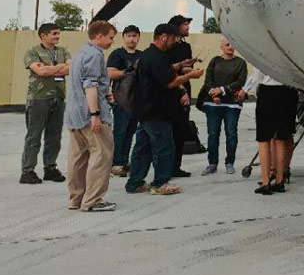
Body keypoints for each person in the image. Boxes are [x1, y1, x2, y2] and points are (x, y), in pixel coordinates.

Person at [125, 24, 203, 195]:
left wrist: (181, 65)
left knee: (142, 148)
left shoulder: (151, 55)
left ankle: (135, 182)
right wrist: (191, 75)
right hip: (157, 111)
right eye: (173, 38)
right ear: (163, 37)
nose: (175, 42)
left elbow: (164, 71)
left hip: (145, 110)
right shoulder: (156, 57)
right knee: (164, 148)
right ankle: (160, 183)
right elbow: (169, 82)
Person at [65, 21, 117, 211]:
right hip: (90, 114)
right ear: (100, 36)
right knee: (101, 154)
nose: (112, 41)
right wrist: (95, 114)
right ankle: (93, 200)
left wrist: (105, 92)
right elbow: (90, 85)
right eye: (110, 37)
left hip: (74, 113)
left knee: (78, 158)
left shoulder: (79, 53)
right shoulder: (95, 55)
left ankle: (76, 199)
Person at [20, 23, 70, 185]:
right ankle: (28, 171)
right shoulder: (33, 51)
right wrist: (59, 67)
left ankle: (50, 168)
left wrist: (51, 68)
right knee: (34, 136)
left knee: (54, 136)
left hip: (58, 97)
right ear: (43, 36)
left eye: (58, 33)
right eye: (54, 34)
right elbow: (40, 71)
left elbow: (70, 68)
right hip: (38, 98)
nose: (57, 36)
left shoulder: (62, 51)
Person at [243, 68, 298, 194]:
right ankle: (280, 180)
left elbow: (257, 76)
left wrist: (257, 92)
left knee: (264, 140)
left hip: (268, 91)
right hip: (288, 91)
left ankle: (266, 181)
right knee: (280, 139)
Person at [197, 38, 247, 176]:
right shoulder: (215, 61)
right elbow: (208, 79)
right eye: (227, 44)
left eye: (232, 44)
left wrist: (223, 90)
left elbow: (240, 81)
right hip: (213, 103)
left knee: (231, 133)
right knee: (213, 133)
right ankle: (212, 163)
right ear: (221, 46)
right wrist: (214, 94)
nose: (230, 47)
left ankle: (230, 162)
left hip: (232, 103)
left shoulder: (240, 63)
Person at [166, 14, 198, 177]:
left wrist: (188, 69)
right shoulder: (168, 48)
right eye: (185, 24)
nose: (188, 27)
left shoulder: (186, 47)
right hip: (173, 91)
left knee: (180, 130)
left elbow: (186, 69)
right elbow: (168, 70)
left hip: (186, 87)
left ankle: (176, 166)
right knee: (169, 131)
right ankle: (166, 166)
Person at [107, 24, 141, 177]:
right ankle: (116, 163)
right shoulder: (117, 54)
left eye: (134, 36)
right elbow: (110, 73)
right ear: (123, 37)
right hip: (121, 99)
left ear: (138, 38)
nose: (132, 39)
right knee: (119, 132)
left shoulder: (142, 55)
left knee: (130, 131)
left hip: (137, 100)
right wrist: (127, 72)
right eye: (129, 36)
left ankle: (125, 159)